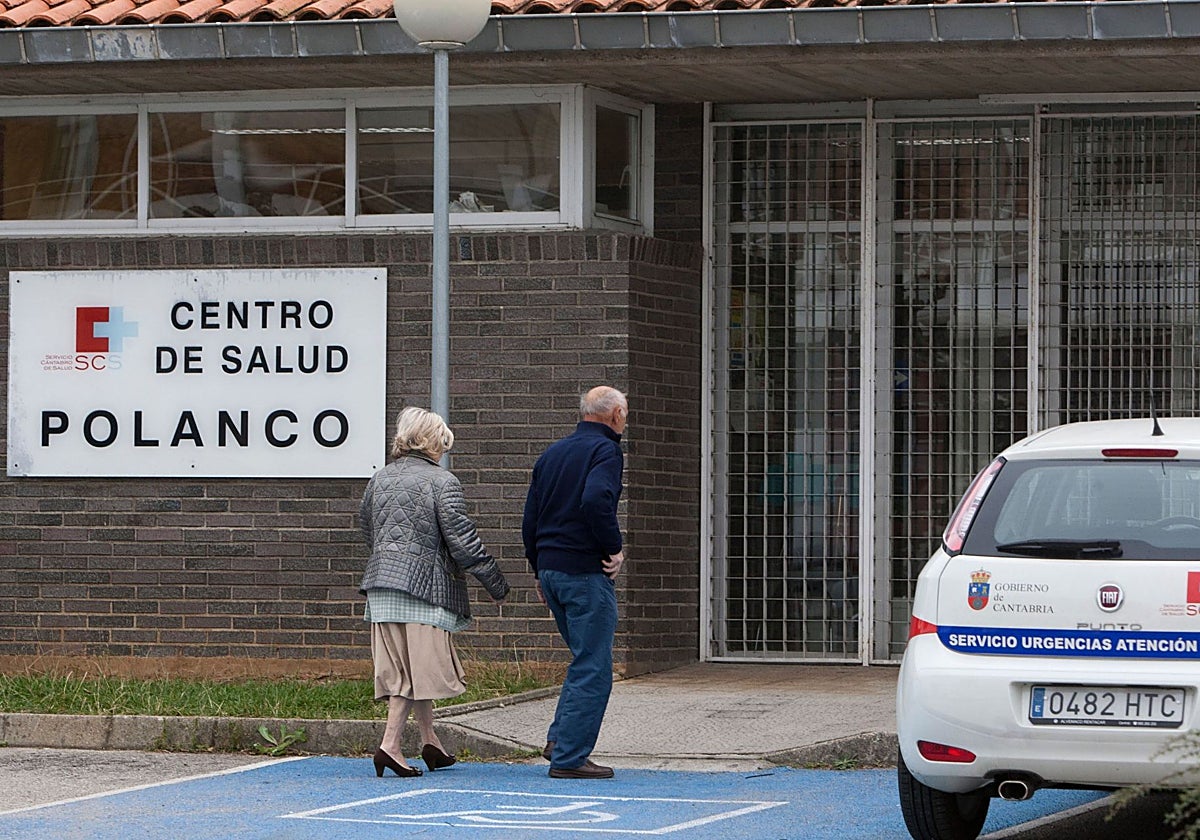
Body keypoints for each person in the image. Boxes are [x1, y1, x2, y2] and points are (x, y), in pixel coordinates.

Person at [359, 406, 510, 778]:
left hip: (382, 586)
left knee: (408, 669)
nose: (444, 449)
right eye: (443, 442)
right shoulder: (443, 483)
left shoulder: (379, 480)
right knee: (412, 674)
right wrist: (495, 583)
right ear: (430, 442)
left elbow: (368, 529)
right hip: (424, 591)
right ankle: (390, 746)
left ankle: (430, 742)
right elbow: (463, 542)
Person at [522, 386, 628, 780]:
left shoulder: (551, 454)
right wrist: (614, 548)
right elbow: (596, 499)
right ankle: (569, 757)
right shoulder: (606, 452)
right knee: (594, 665)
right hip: (584, 571)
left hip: (551, 570)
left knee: (583, 659)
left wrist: (538, 566)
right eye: (625, 412)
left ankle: (558, 741)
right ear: (615, 414)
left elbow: (530, 518)